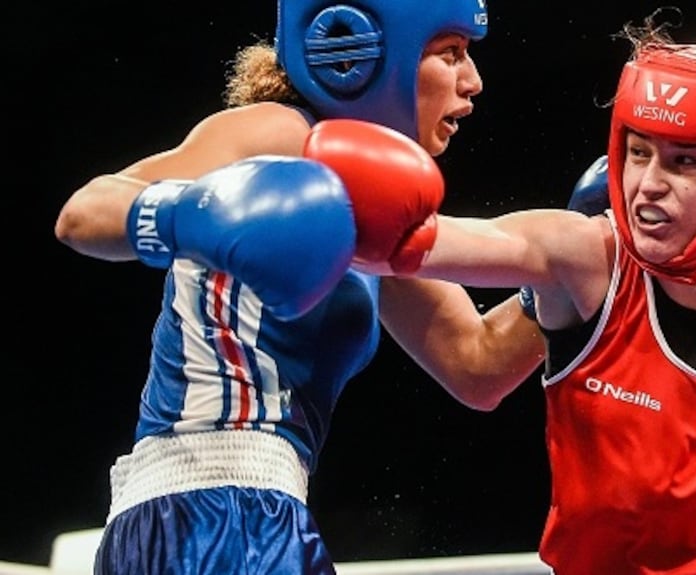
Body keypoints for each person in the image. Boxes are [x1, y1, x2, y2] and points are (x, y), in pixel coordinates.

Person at [304, 18, 696, 575]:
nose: (647, 183)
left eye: (684, 161)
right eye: (639, 151)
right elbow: (404, 242)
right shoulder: (586, 257)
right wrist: (309, 137)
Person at [53, 1, 546, 573]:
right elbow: (83, 213)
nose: (473, 81)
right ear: (362, 53)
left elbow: (476, 363)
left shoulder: (373, 202)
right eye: (450, 54)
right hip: (209, 505)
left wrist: (570, 280)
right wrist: (195, 214)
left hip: (248, 512)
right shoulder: (281, 133)